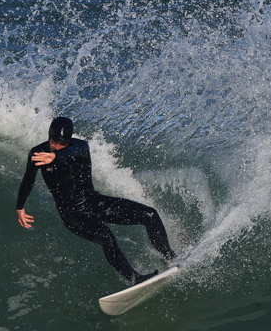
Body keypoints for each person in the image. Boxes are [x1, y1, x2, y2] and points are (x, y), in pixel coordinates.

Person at [16, 117, 177, 285]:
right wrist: (20, 206)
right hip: (72, 214)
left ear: (69, 141)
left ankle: (170, 258)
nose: (57, 146)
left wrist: (55, 156)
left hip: (94, 202)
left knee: (150, 215)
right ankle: (134, 278)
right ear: (49, 136)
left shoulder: (80, 147)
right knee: (105, 236)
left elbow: (73, 151)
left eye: (62, 143)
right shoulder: (37, 153)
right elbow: (28, 180)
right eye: (54, 142)